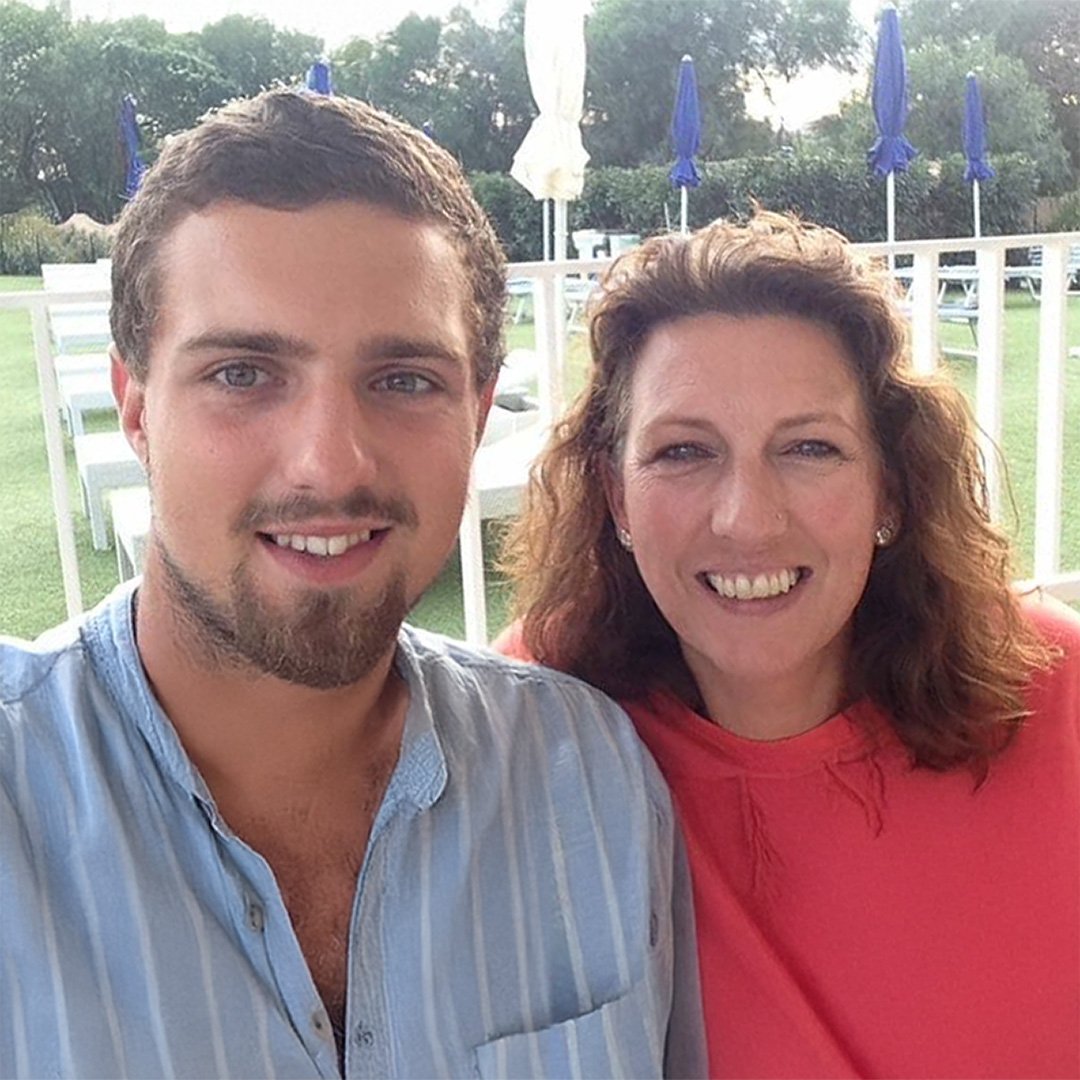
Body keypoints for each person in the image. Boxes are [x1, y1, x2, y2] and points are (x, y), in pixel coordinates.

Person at [0, 90, 705, 1079]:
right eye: (244, 374)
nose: (328, 466)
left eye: (406, 379)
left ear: (477, 411)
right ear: (137, 406)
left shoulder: (587, 778)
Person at [498, 211, 1080, 1078]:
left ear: (891, 490)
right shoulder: (525, 726)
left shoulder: (1058, 699)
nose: (747, 520)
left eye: (810, 447)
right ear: (616, 500)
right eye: (684, 451)